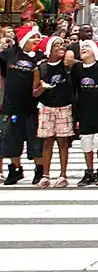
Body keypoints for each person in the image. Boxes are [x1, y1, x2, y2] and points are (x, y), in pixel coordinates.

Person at [1, 25, 44, 186]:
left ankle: (39, 170)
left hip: (33, 108)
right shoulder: (9, 54)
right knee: (12, 140)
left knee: (35, 142)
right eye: (33, 37)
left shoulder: (40, 57)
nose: (36, 40)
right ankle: (15, 169)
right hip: (12, 107)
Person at [70, 39, 98, 187]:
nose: (83, 49)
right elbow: (74, 88)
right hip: (84, 110)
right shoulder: (77, 68)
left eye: (87, 47)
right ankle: (89, 171)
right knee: (86, 142)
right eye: (82, 47)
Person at [35, 36, 75, 187]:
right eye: (56, 45)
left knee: (63, 142)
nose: (61, 47)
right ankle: (45, 175)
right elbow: (34, 92)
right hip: (46, 106)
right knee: (47, 142)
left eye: (62, 44)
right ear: (49, 49)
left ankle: (63, 175)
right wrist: (42, 88)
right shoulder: (41, 67)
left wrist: (70, 53)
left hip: (64, 106)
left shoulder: (67, 64)